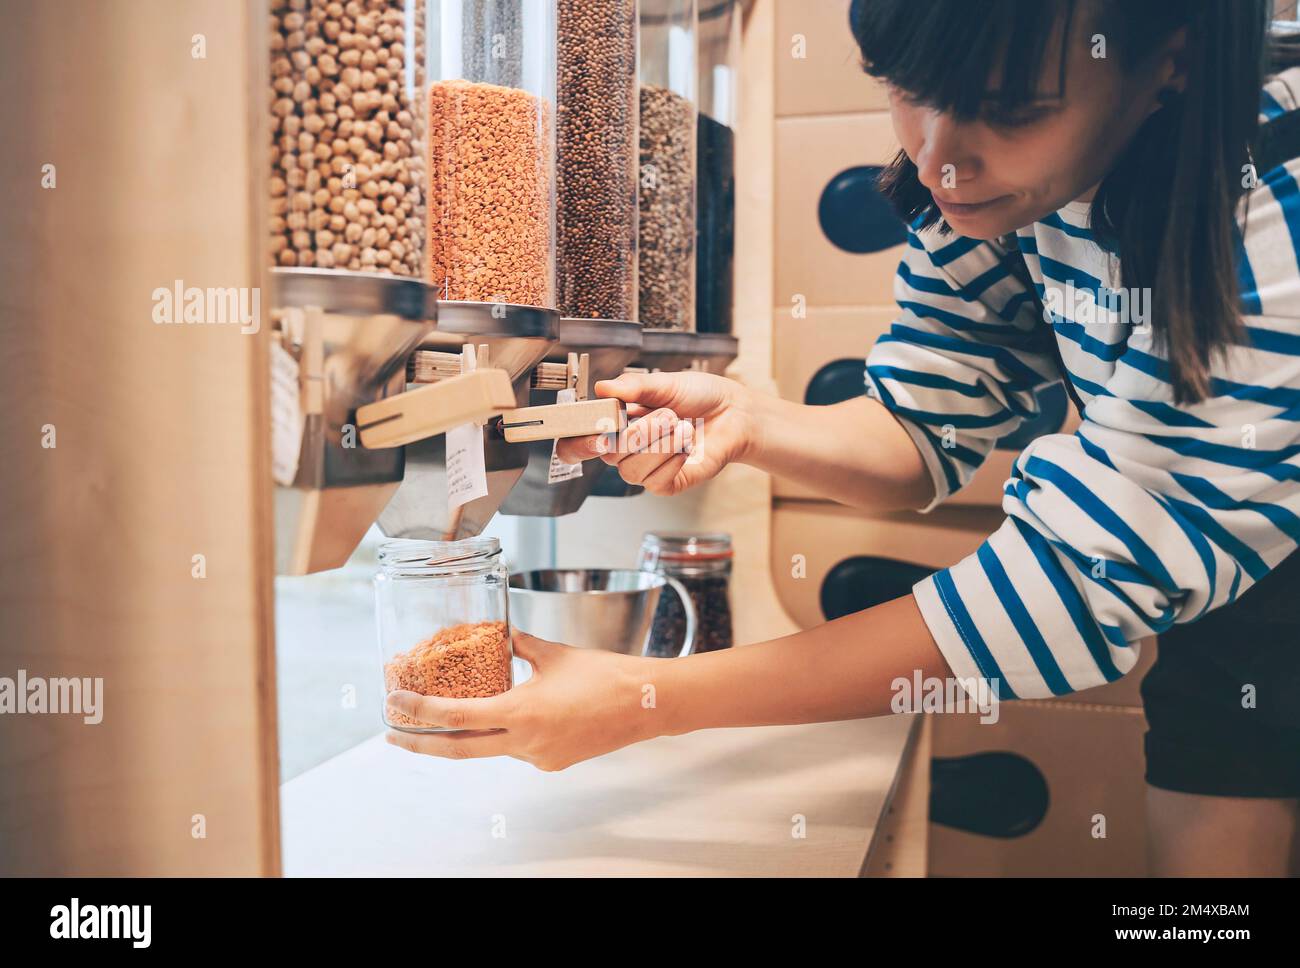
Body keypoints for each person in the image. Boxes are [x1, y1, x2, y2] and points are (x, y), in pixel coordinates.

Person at [386, 0, 1300, 876]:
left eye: (1013, 111)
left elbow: (1075, 584)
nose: (941, 163)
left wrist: (644, 701)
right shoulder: (992, 170)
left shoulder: (1271, 217)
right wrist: (755, 423)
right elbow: (926, 420)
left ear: (1169, 58)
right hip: (1221, 592)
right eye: (908, 90)